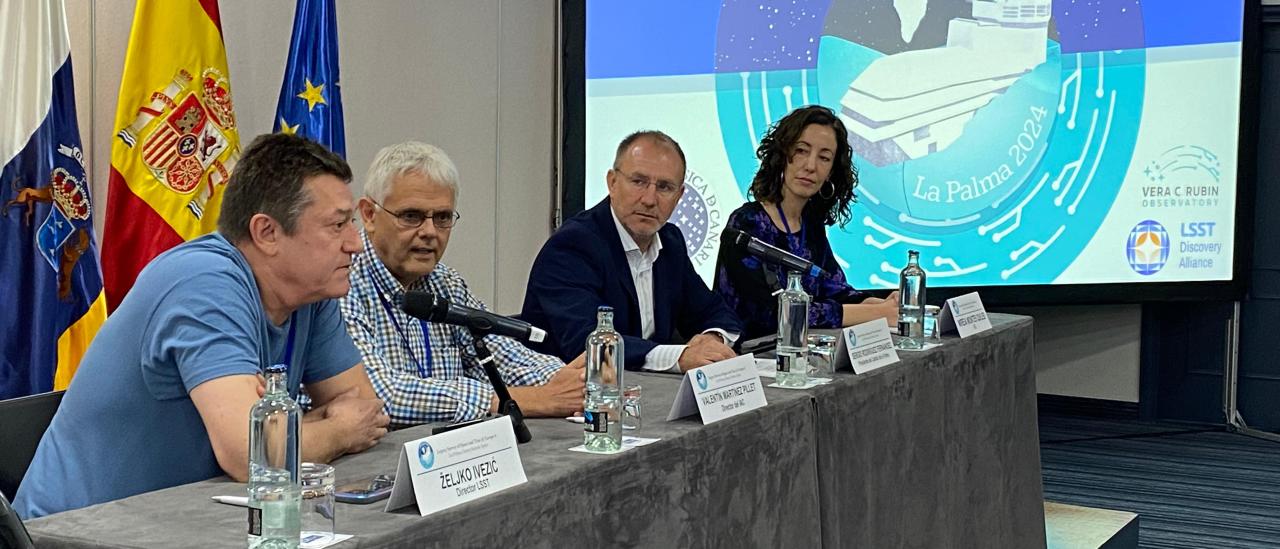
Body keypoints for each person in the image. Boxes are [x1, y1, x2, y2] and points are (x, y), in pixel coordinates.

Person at [13, 134, 390, 519]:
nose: (355, 243)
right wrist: (336, 431)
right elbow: (249, 455)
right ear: (267, 233)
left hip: (182, 524)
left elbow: (364, 411)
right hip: (72, 533)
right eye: (338, 225)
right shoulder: (203, 282)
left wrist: (295, 436)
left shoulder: (311, 294)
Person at [341, 141, 584, 426]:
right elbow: (378, 396)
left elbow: (505, 358)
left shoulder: (445, 283)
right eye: (411, 216)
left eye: (442, 217)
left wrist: (571, 381)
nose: (429, 232)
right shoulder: (342, 283)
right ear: (369, 214)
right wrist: (529, 400)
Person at [522, 130, 742, 372]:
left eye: (665, 187)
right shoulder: (573, 246)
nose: (649, 199)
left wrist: (713, 340)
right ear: (612, 183)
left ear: (679, 197)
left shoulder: (670, 242)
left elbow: (713, 311)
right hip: (571, 396)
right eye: (638, 182)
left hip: (644, 393)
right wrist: (678, 357)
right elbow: (587, 344)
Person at [713, 105, 898, 341]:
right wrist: (876, 314)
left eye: (824, 157)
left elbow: (833, 287)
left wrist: (882, 304)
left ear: (831, 171)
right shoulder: (747, 224)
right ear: (782, 156)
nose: (811, 166)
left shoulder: (810, 226)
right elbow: (777, 314)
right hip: (745, 359)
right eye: (801, 151)